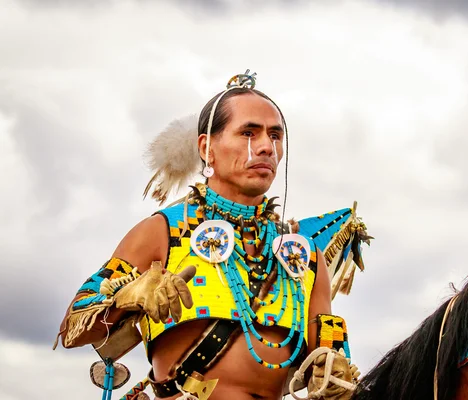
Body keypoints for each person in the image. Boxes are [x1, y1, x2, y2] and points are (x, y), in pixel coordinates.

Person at [55, 71, 371, 400]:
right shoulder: (162, 232)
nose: (266, 147)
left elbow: (331, 365)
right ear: (207, 147)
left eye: (275, 136)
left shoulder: (303, 255)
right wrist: (131, 293)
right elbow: (72, 328)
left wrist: (333, 370)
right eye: (248, 132)